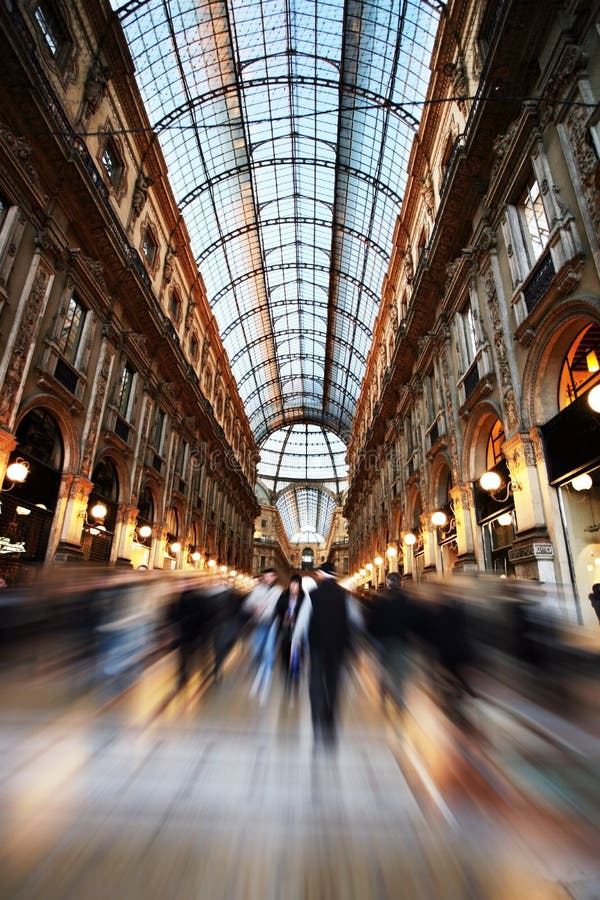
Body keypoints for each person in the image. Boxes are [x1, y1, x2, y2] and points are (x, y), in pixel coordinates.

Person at [291, 561, 361, 747]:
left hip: (317, 645)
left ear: (322, 574)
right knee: (333, 681)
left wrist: (296, 640)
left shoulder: (313, 595)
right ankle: (329, 719)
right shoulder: (345, 595)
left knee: (315, 679)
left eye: (318, 573)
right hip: (338, 646)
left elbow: (303, 620)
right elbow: (356, 619)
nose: (316, 576)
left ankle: (317, 715)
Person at [368, 571, 412, 710]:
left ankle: (383, 692)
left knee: (384, 667)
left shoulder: (380, 599)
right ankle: (399, 699)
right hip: (400, 641)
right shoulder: (406, 599)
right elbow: (414, 621)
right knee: (399, 671)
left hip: (383, 641)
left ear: (387, 583)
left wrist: (372, 637)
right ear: (401, 583)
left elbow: (372, 621)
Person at [272, 573, 306, 692]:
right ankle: (287, 673)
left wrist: (295, 617)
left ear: (300, 586)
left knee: (297, 653)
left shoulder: (303, 597)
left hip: (298, 630)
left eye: (296, 584)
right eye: (292, 583)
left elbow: (306, 613)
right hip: (286, 629)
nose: (293, 586)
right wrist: (284, 614)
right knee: (285, 652)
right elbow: (277, 608)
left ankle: (294, 675)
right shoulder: (284, 595)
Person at [243, 568, 282, 669]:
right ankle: (258, 658)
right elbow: (247, 604)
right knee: (259, 642)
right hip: (260, 621)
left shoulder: (278, 590)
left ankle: (269, 663)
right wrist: (255, 607)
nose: (267, 578)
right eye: (265, 576)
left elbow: (282, 606)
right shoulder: (258, 589)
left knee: (270, 643)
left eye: (270, 576)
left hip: (273, 622)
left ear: (274, 577)